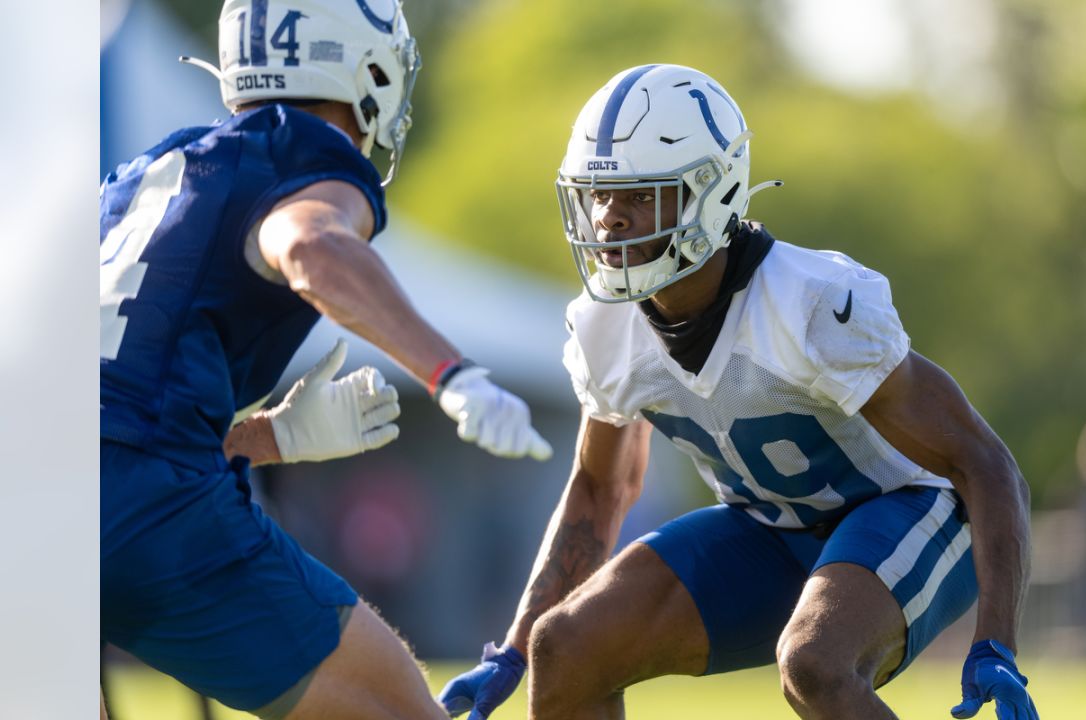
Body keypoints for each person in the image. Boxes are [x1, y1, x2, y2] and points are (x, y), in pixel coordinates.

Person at [439, 64, 1038, 720]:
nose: (608, 221)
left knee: (815, 662)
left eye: (639, 196)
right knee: (566, 646)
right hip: (767, 525)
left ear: (710, 193)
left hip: (906, 507)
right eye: (600, 195)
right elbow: (598, 487)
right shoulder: (603, 326)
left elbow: (986, 462)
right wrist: (517, 647)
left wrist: (995, 642)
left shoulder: (807, 304)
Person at [100, 1, 551, 718]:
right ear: (363, 68)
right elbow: (309, 246)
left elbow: (100, 418)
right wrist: (448, 371)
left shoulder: (141, 176)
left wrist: (270, 438)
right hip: (154, 513)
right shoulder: (304, 156)